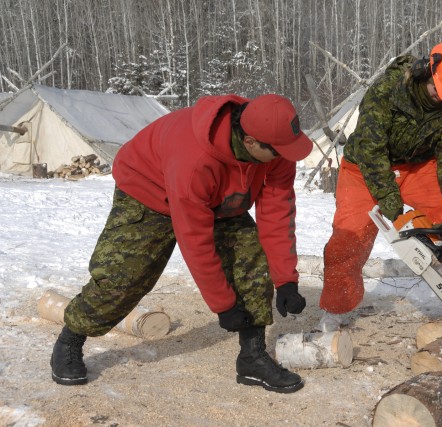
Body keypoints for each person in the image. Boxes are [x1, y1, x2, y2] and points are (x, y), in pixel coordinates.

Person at [50, 94, 313, 394]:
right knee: (123, 278)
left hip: (220, 197)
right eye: (279, 151)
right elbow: (195, 239)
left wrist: (286, 280)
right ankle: (71, 338)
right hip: (149, 190)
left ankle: (252, 357)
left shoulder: (275, 146)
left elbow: (278, 213)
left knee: (251, 261)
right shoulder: (194, 158)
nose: (286, 156)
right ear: (251, 142)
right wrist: (223, 304)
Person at [317, 40, 442, 332]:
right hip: (365, 167)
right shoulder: (387, 91)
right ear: (426, 71)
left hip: (418, 167)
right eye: (439, 90)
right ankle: (337, 307)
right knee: (349, 235)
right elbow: (372, 150)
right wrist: (395, 211)